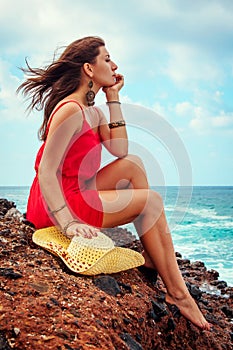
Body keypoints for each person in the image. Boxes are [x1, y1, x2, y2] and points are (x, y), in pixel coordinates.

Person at [18, 36, 210, 330]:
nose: (115, 65)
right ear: (89, 69)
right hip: (55, 203)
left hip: (77, 190)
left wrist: (113, 97)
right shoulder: (70, 110)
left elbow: (120, 150)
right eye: (107, 59)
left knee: (133, 164)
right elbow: (47, 171)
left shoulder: (92, 111)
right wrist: (68, 223)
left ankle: (151, 258)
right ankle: (178, 294)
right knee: (151, 201)